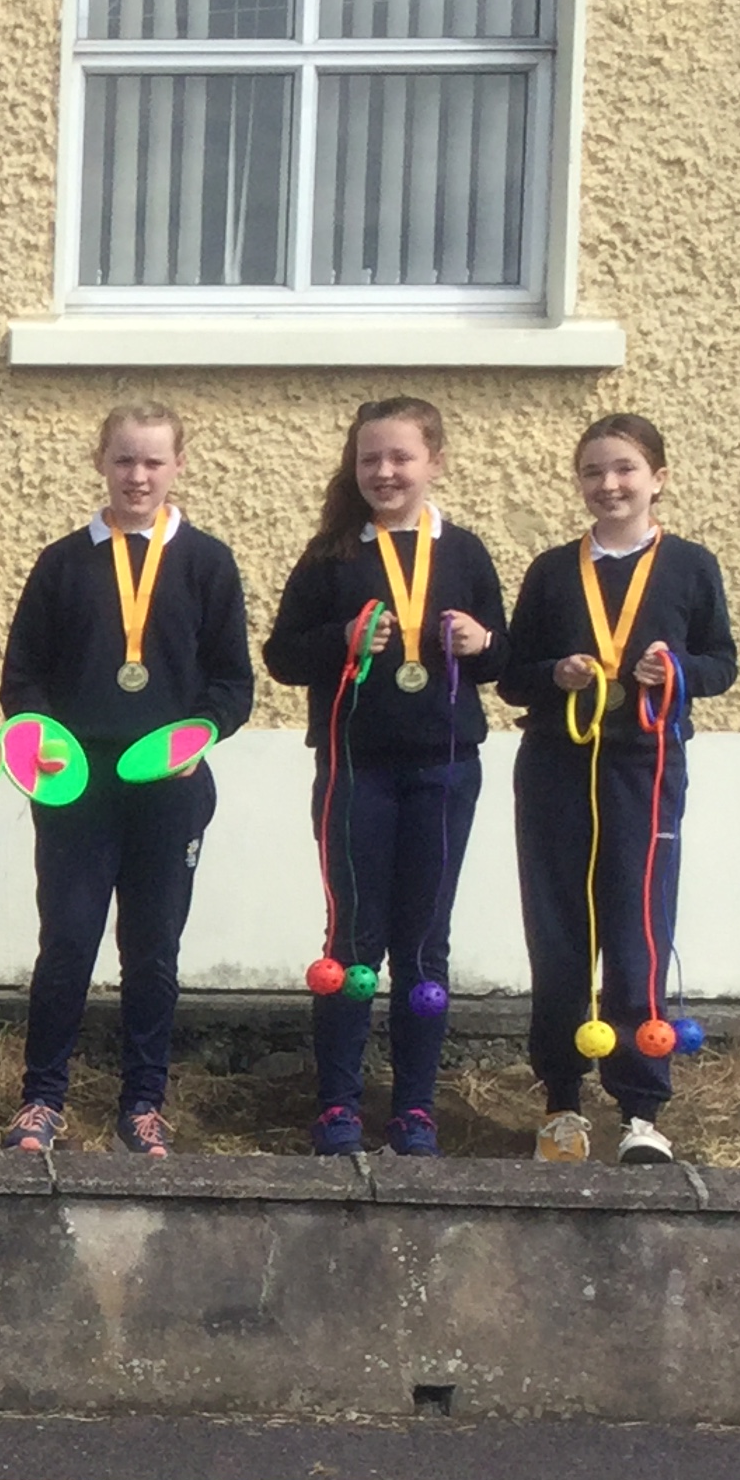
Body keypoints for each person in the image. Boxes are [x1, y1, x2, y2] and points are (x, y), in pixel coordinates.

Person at [0, 402, 256, 1157]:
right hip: (76, 791)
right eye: (123, 460)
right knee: (67, 945)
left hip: (169, 791)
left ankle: (143, 1105)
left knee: (153, 952)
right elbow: (23, 679)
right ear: (100, 462)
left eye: (152, 462)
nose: (137, 476)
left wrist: (201, 732)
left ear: (178, 466)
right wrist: (40, 737)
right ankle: (42, 1100)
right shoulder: (62, 564)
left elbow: (232, 684)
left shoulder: (207, 563)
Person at [264, 398, 506, 1157]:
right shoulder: (331, 555)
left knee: (425, 945)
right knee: (353, 940)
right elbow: (281, 655)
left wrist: (482, 642)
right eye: (370, 458)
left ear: (436, 461)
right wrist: (339, 638)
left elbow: (504, 661)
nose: (385, 471)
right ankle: (338, 1102)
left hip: (444, 769)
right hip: (354, 770)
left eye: (401, 457)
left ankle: (416, 1108)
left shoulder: (464, 553)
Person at [501, 414, 738, 1167]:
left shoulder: (690, 566)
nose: (609, 485)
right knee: (559, 936)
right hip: (557, 769)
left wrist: (679, 670)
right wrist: (556, 673)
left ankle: (641, 1109)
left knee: (638, 935)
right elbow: (512, 676)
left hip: (645, 769)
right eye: (594, 472)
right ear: (579, 482)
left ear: (657, 478)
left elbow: (722, 662)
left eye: (625, 469)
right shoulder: (551, 571)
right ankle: (562, 1102)